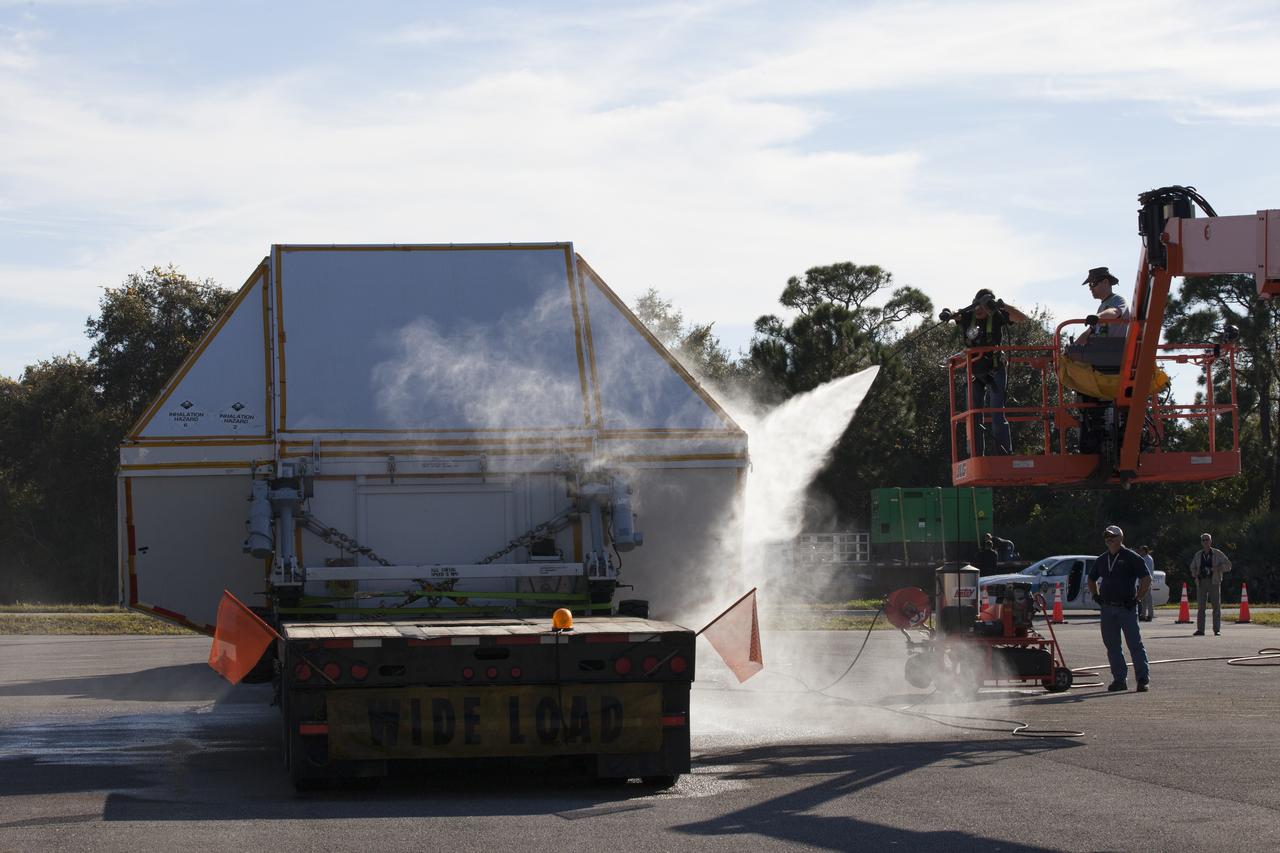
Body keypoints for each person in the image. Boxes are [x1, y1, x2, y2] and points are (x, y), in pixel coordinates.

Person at [942, 289, 1028, 456]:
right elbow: (955, 314)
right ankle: (975, 454)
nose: (980, 309)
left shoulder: (998, 316)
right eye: (977, 305)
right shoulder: (967, 315)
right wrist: (947, 314)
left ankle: (1003, 453)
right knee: (973, 415)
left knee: (997, 412)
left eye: (984, 306)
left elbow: (1022, 319)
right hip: (973, 371)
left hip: (995, 370)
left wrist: (1002, 305)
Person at [1087, 524, 1151, 692]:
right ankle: (1119, 679)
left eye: (1113, 536)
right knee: (1112, 645)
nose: (1109, 539)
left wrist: (1137, 598)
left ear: (1121, 538)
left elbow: (1146, 578)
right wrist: (1096, 596)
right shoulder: (1102, 559)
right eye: (1107, 536)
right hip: (1107, 608)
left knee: (1134, 644)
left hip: (1126, 607)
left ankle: (1142, 679)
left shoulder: (1131, 557)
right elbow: (1091, 579)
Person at [1074, 267, 1131, 454]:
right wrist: (1075, 345)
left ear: (1106, 282)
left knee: (1084, 383)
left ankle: (1101, 428)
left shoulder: (1116, 301)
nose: (1090, 288)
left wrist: (1096, 318)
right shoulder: (1101, 307)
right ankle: (1092, 433)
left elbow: (1115, 313)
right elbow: (1090, 331)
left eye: (1093, 284)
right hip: (1103, 356)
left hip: (1113, 358)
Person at [1187, 533, 1231, 636]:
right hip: (1201, 582)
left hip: (1214, 581)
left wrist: (1218, 568)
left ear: (1211, 541)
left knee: (1216, 606)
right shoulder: (1198, 554)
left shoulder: (1217, 553)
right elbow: (1192, 567)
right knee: (1201, 607)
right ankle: (1200, 630)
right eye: (1203, 540)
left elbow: (1228, 565)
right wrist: (1195, 573)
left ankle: (1217, 629)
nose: (1205, 542)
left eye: (1207, 540)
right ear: (1201, 542)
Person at [1138, 545, 1155, 621]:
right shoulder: (1143, 558)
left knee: (1148, 599)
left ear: (1145, 551)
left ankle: (1150, 615)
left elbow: (1147, 571)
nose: (1140, 552)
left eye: (1142, 550)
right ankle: (1143, 614)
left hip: (1147, 580)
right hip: (1142, 580)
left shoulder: (1148, 559)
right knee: (1143, 599)